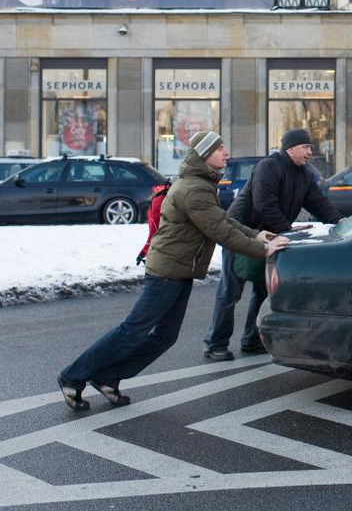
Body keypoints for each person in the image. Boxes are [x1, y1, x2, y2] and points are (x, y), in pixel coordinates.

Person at [57, 131, 288, 411]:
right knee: (133, 329)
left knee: (165, 336)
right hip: (166, 271)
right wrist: (262, 250)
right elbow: (219, 231)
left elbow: (223, 221)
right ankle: (72, 376)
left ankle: (108, 376)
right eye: (220, 148)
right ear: (205, 155)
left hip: (179, 271)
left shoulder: (202, 184)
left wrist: (257, 234)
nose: (226, 152)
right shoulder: (194, 188)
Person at [203, 128, 343, 361]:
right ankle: (215, 343)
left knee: (262, 291)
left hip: (269, 237)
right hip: (241, 235)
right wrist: (286, 230)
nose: (310, 152)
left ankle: (251, 340)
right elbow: (263, 204)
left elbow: (317, 202)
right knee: (230, 293)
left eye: (310, 147)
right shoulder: (269, 167)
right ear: (290, 148)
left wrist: (338, 221)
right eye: (305, 147)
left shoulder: (302, 174)